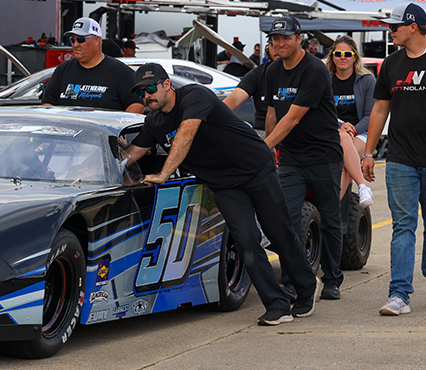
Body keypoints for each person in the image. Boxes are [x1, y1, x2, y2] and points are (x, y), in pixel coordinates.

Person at [124, 63, 319, 326]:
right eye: (141, 93)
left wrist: (164, 173)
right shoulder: (154, 122)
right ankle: (277, 304)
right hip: (224, 185)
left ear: (166, 84)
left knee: (279, 232)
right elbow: (131, 154)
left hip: (255, 169)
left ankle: (307, 288)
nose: (147, 96)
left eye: (150, 88)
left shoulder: (195, 96)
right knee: (246, 241)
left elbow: (187, 132)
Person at [362, 2, 426, 316]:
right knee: (402, 226)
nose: (389, 31)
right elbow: (380, 109)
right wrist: (368, 152)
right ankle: (399, 294)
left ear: (413, 27)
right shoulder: (391, 64)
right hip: (400, 158)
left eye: (394, 26)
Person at [263, 16, 345, 301]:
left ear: (300, 39)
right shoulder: (273, 71)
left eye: (286, 38)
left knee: (330, 218)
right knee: (286, 218)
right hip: (291, 159)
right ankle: (292, 280)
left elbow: (294, 117)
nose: (280, 44)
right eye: (275, 39)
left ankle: (332, 278)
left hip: (324, 156)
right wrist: (272, 151)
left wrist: (266, 146)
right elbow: (273, 114)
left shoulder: (314, 70)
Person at [41, 18, 144, 113]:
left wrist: (117, 128)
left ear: (96, 41)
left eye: (81, 40)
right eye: (73, 40)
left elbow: (138, 105)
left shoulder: (120, 72)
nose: (75, 44)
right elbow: (47, 103)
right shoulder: (63, 70)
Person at [324, 35, 376, 207]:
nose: (342, 58)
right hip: (331, 130)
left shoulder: (367, 80)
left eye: (347, 54)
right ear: (332, 56)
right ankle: (362, 187)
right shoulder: (325, 80)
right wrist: (340, 126)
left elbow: (371, 116)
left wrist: (350, 130)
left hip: (360, 132)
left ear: (355, 57)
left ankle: (332, 208)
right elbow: (322, 111)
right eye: (338, 54)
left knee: (343, 157)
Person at [223, 39, 280, 130]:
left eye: (285, 41)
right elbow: (234, 99)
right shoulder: (258, 73)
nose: (279, 47)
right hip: (262, 131)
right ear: (268, 46)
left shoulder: (304, 72)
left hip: (293, 133)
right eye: (273, 44)